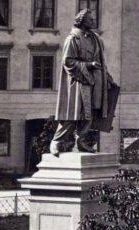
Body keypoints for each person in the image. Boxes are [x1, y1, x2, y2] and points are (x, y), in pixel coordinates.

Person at [49, 9, 120, 156]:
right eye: (90, 20)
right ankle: (56, 141)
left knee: (91, 113)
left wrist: (108, 78)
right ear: (81, 21)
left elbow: (101, 61)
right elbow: (67, 61)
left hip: (95, 82)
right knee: (73, 114)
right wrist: (88, 65)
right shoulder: (72, 39)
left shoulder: (95, 39)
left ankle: (81, 142)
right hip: (78, 81)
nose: (93, 22)